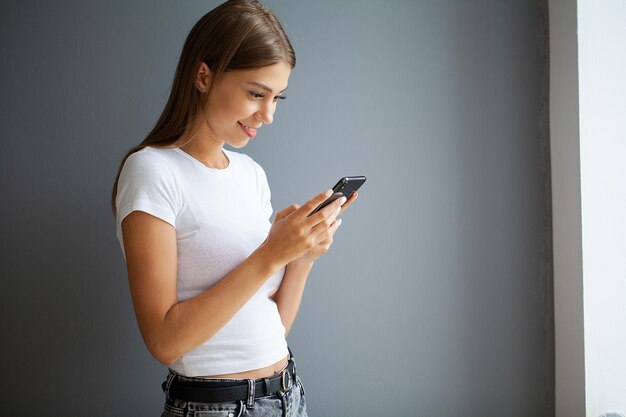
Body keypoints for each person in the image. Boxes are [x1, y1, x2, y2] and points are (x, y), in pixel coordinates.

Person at [111, 1, 357, 416]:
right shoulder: (152, 170)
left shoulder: (251, 174)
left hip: (287, 394)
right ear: (204, 75)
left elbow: (270, 328)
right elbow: (164, 341)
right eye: (256, 93)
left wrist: (301, 259)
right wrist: (270, 255)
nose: (269, 114)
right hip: (216, 407)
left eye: (277, 97)